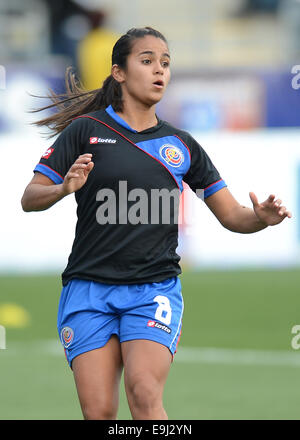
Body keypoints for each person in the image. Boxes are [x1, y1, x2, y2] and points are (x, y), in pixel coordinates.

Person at [21, 27, 292, 420]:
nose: (159, 70)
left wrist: (261, 219)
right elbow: (30, 198)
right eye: (146, 61)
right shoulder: (85, 132)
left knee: (145, 394)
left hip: (153, 291)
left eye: (165, 63)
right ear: (119, 72)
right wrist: (63, 187)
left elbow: (233, 216)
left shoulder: (182, 146)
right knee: (98, 412)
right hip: (88, 290)